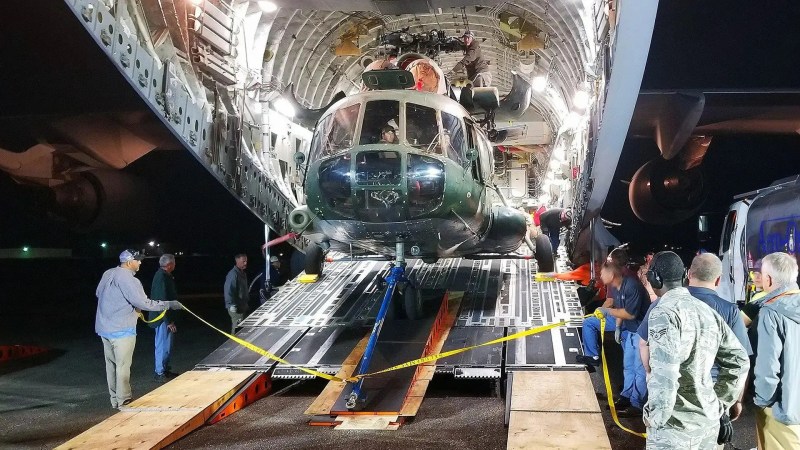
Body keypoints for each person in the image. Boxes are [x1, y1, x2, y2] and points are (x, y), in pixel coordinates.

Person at [642, 251, 749, 449]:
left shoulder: (663, 312)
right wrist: (720, 403)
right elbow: (740, 360)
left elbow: (665, 375)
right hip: (708, 427)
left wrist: (655, 418)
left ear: (653, 279)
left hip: (674, 431)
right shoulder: (706, 311)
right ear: (684, 275)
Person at [95, 249, 182, 409]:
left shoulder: (108, 273)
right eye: (138, 260)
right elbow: (145, 303)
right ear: (129, 262)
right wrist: (170, 304)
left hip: (104, 328)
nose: (140, 262)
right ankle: (124, 400)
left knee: (112, 366)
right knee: (123, 366)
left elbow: (98, 293)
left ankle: (115, 399)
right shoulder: (130, 280)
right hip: (122, 329)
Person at [753, 252, 800, 449]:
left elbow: (768, 366)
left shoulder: (770, 312)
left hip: (785, 411)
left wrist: (762, 401)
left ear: (769, 279)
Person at [595, 258, 650, 416]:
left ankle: (637, 404)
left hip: (641, 333)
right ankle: (626, 396)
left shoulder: (631, 286)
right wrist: (618, 326)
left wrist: (607, 312)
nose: (600, 275)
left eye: (602, 272)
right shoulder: (618, 287)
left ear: (611, 273)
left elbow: (630, 313)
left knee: (640, 369)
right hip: (631, 331)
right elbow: (621, 307)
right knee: (628, 367)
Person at [148, 254, 180, 382]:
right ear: (169, 265)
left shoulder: (163, 275)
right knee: (162, 345)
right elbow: (162, 300)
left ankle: (164, 369)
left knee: (166, 345)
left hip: (164, 317)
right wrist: (168, 321)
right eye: (174, 262)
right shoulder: (162, 277)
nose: (175, 265)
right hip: (162, 318)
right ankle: (159, 371)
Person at [224, 253, 249, 334]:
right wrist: (231, 304)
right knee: (237, 328)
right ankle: (234, 344)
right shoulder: (233, 274)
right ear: (237, 261)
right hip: (235, 307)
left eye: (246, 261)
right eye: (243, 261)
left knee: (242, 327)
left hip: (242, 305)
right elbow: (229, 290)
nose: (245, 263)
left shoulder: (242, 273)